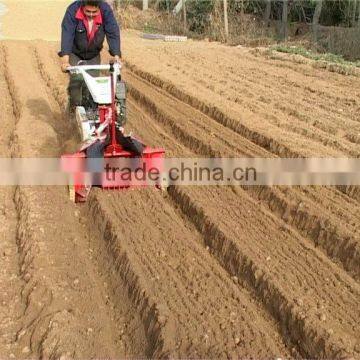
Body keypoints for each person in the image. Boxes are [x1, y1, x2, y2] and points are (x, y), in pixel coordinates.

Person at [58, 0, 121, 108]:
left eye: (94, 12)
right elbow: (67, 34)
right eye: (88, 11)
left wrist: (116, 56)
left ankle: (91, 115)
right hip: (75, 53)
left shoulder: (105, 11)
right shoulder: (73, 10)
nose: (91, 15)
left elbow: (113, 32)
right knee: (77, 84)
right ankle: (73, 111)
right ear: (83, 6)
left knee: (92, 90)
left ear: (99, 7)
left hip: (93, 55)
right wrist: (65, 61)